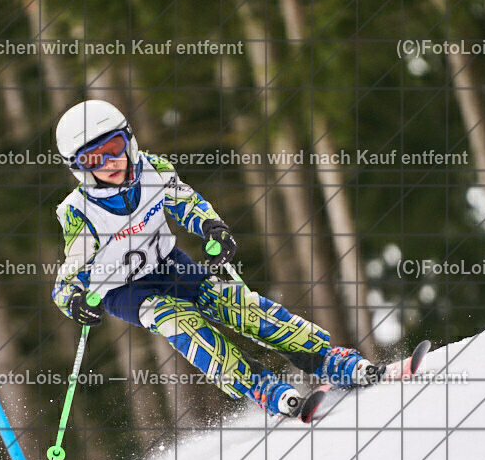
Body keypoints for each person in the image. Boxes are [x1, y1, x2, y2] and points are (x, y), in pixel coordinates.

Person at [52, 100, 377, 417]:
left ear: (129, 140)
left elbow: (186, 203)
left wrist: (212, 228)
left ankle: (328, 360)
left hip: (169, 264)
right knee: (180, 322)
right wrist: (74, 298)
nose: (109, 163)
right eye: (92, 160)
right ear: (78, 169)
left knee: (237, 306)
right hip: (124, 290)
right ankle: (260, 387)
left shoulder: (153, 169)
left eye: (113, 147)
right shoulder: (80, 212)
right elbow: (73, 268)